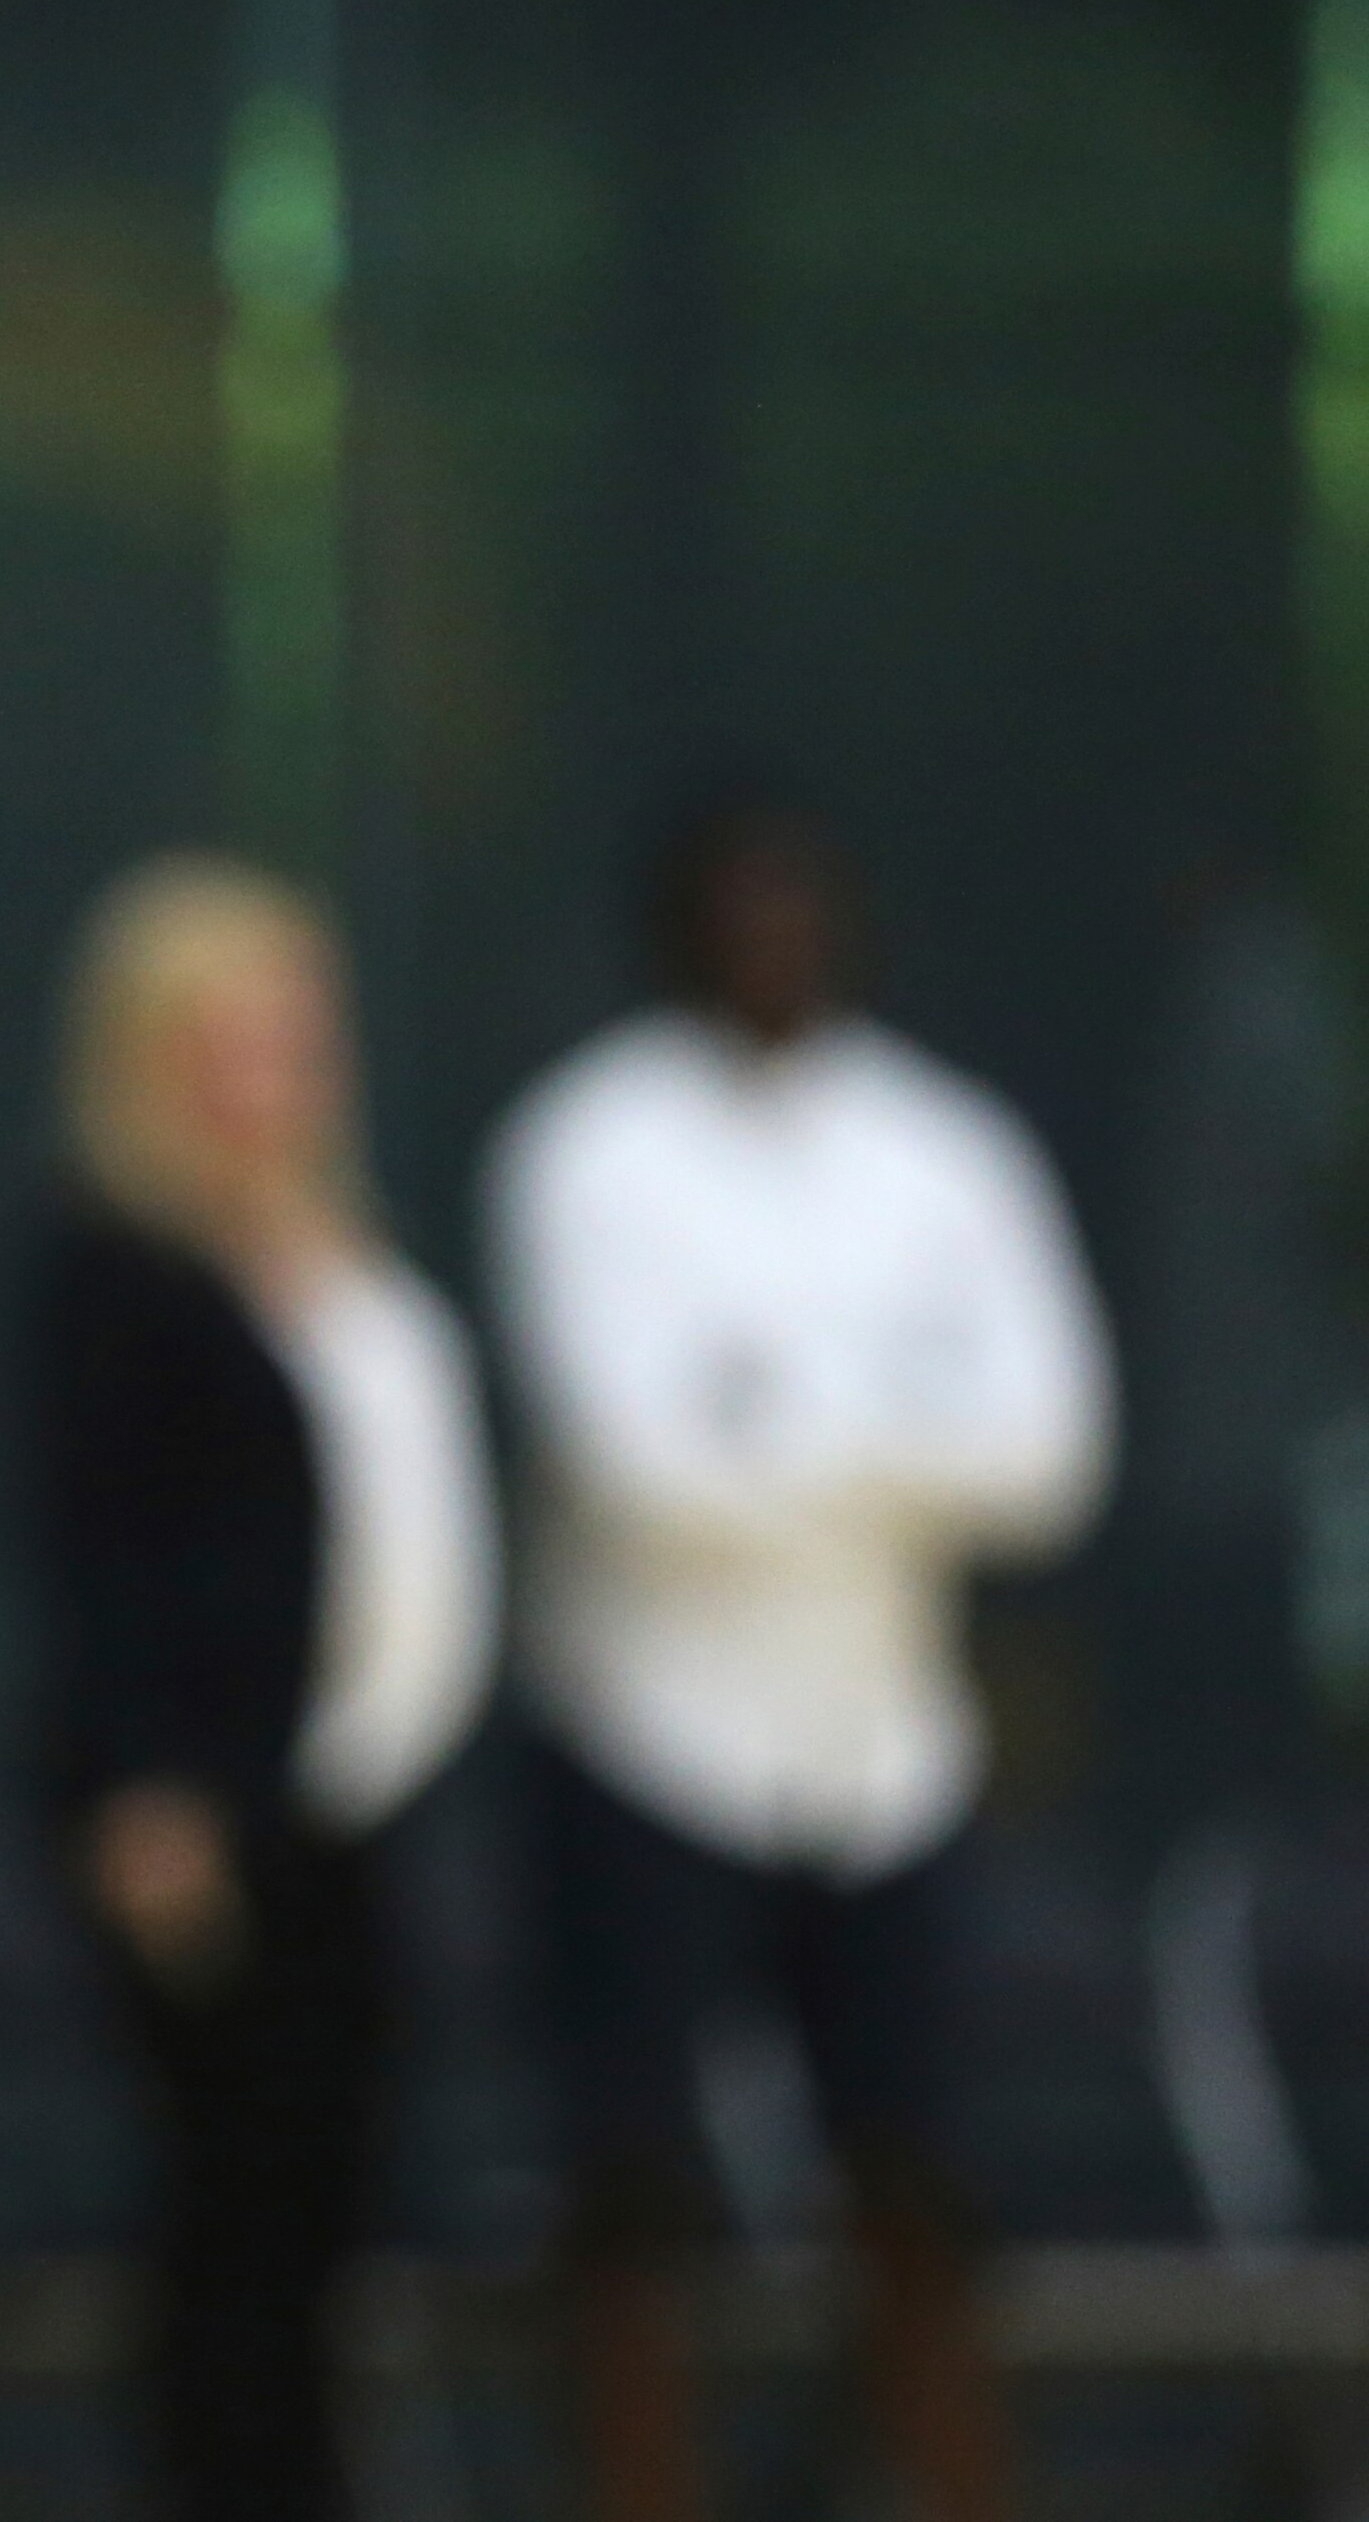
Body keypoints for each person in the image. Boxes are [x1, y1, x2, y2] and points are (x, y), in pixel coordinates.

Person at [489, 798, 1111, 2522]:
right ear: (676, 930)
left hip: (888, 1751)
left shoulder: (947, 1150)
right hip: (646, 1742)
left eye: (800, 906)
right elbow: (635, 1471)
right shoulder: (588, 1150)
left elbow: (1052, 1459)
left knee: (918, 2187)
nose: (774, 941)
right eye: (736, 909)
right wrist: (900, 1431)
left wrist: (777, 1410)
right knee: (629, 2199)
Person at [28, 856, 497, 2522]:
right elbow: (107, 1555)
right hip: (218, 1820)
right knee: (240, 2223)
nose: (277, 1074)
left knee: (326, 2219)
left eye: (297, 1035)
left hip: (359, 1802)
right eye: (229, 1040)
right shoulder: (123, 1275)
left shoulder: (345, 1256)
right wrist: (151, 1796)